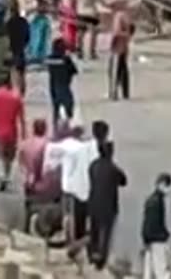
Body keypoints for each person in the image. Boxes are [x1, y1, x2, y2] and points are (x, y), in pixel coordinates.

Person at [87, 140, 127, 270]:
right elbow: (124, 181)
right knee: (106, 234)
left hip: (93, 203)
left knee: (94, 231)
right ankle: (101, 261)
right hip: (109, 206)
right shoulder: (113, 169)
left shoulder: (93, 165)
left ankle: (92, 254)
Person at [0, 76, 25, 192]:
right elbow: (22, 118)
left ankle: (0, 176)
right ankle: (7, 175)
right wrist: (24, 134)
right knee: (9, 157)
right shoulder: (16, 97)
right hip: (11, 131)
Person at [141, 173, 171, 279]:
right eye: (168, 186)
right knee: (161, 271)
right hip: (157, 239)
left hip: (150, 239)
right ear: (161, 184)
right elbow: (155, 222)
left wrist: (146, 240)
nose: (169, 189)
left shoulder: (151, 199)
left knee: (148, 271)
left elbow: (146, 222)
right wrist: (165, 234)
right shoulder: (157, 201)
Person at [46, 41, 78, 125]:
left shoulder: (49, 59)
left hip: (53, 88)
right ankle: (69, 126)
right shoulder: (66, 59)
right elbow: (74, 71)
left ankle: (56, 126)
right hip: (65, 88)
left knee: (56, 109)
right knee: (69, 109)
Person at [108, 0, 133, 100]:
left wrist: (111, 42)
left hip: (118, 45)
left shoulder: (118, 16)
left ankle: (114, 92)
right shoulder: (126, 16)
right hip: (125, 45)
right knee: (123, 68)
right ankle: (125, 92)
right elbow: (131, 29)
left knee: (114, 70)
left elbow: (117, 31)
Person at [5, 0, 31, 93]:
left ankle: (17, 91)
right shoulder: (23, 22)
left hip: (12, 49)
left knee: (14, 71)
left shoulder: (8, 23)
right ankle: (22, 89)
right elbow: (28, 36)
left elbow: (6, 37)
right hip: (21, 48)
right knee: (21, 71)